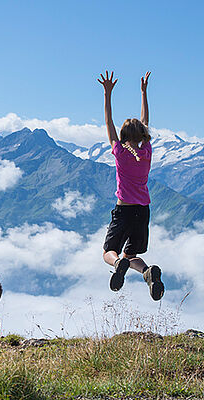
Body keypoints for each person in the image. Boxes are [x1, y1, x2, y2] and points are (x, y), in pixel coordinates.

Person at [98, 70, 164, 301]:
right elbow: (145, 121)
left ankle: (117, 265)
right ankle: (147, 273)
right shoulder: (146, 151)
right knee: (132, 254)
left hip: (124, 209)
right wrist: (144, 93)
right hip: (143, 210)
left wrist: (107, 94)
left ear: (123, 135)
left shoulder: (119, 151)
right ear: (143, 135)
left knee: (109, 252)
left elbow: (109, 121)